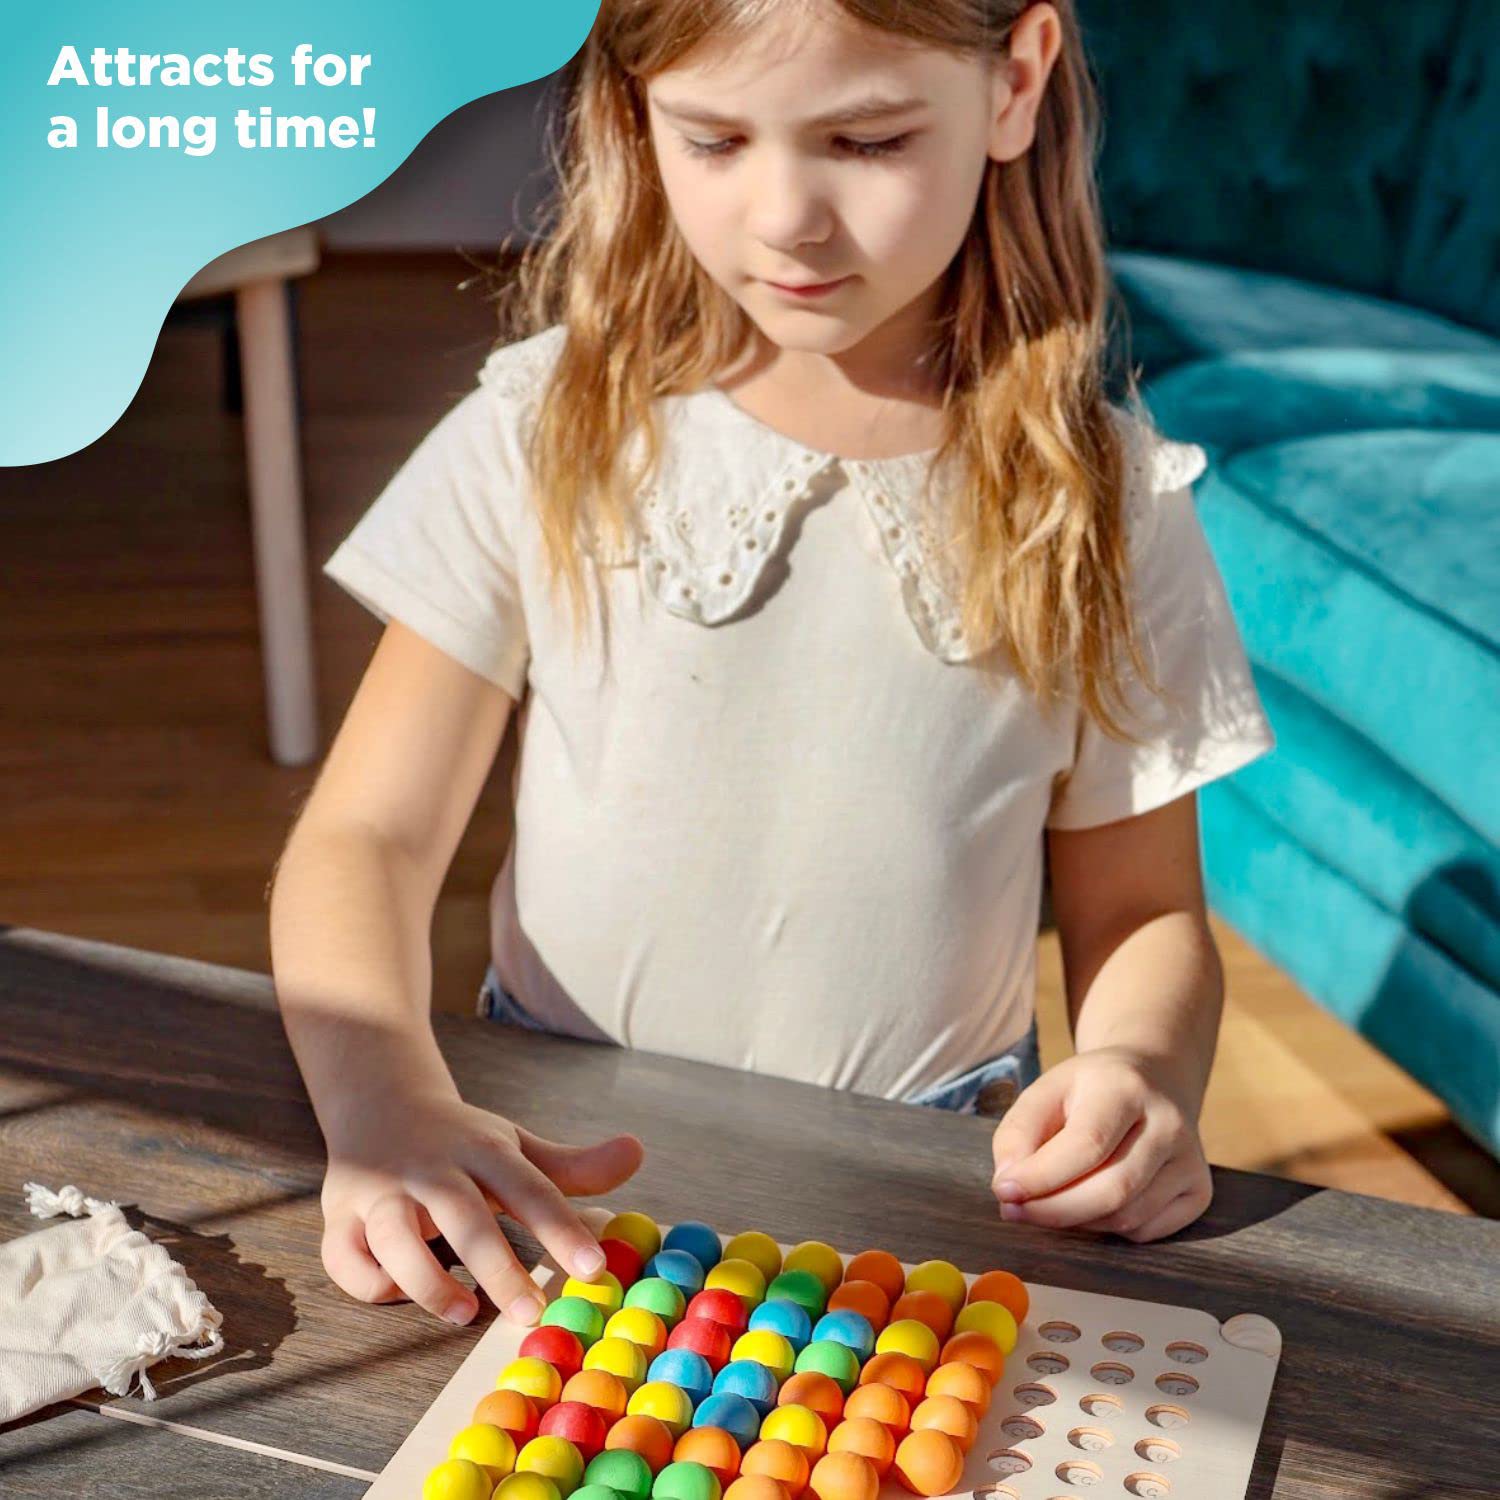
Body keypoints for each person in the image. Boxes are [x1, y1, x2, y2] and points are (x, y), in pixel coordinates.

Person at [269, 0, 1274, 1334]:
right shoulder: (545, 429)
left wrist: (1145, 1071)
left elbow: (1142, 909)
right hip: (558, 1189)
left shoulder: (1109, 505)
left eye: (866, 140)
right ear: (636, 113)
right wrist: (381, 1100)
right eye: (714, 138)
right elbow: (368, 835)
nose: (786, 217)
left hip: (926, 1213)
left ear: (1016, 84)